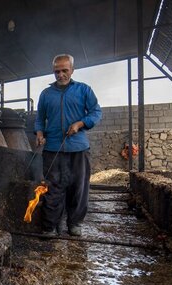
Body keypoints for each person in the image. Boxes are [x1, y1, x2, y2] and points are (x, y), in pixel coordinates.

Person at [34, 54, 102, 236]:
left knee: (78, 187)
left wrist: (80, 124)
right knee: (53, 188)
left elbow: (96, 112)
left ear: (72, 70)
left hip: (78, 148)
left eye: (65, 70)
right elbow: (40, 119)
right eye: (57, 71)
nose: (61, 74)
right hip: (53, 149)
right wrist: (39, 133)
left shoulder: (83, 90)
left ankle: (75, 223)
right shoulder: (46, 94)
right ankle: (50, 226)